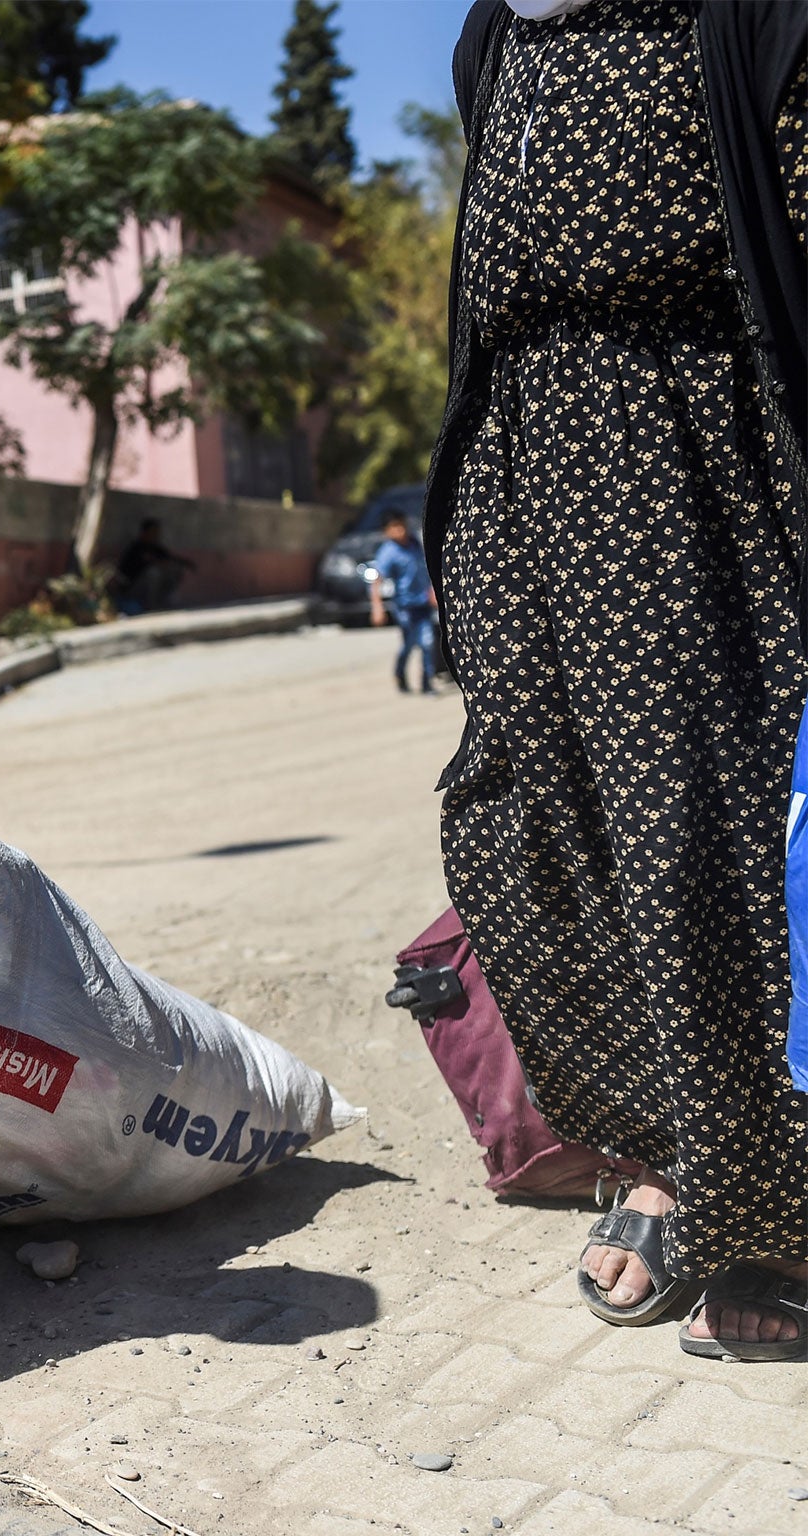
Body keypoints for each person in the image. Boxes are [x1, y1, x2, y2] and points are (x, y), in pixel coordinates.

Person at [429, 0, 808, 1360]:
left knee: (698, 850)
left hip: (695, 491)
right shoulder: (497, 38)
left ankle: (772, 1207)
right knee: (529, 835)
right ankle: (664, 1145)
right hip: (528, 496)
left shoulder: (743, 17)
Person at [367, 512, 437, 695]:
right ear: (386, 532)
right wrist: (377, 607)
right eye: (394, 528)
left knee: (427, 643)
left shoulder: (415, 543)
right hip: (405, 606)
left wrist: (432, 591)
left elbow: (426, 570)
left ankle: (427, 682)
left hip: (422, 603)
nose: (400, 531)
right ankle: (400, 673)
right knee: (409, 644)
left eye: (401, 526)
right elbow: (377, 581)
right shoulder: (388, 552)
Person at [108, 518, 194, 614]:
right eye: (152, 531)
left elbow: (169, 559)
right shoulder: (136, 548)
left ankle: (163, 602)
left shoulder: (155, 548)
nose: (155, 535)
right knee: (153, 573)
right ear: (144, 532)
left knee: (174, 570)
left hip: (148, 588)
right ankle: (151, 606)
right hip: (132, 588)